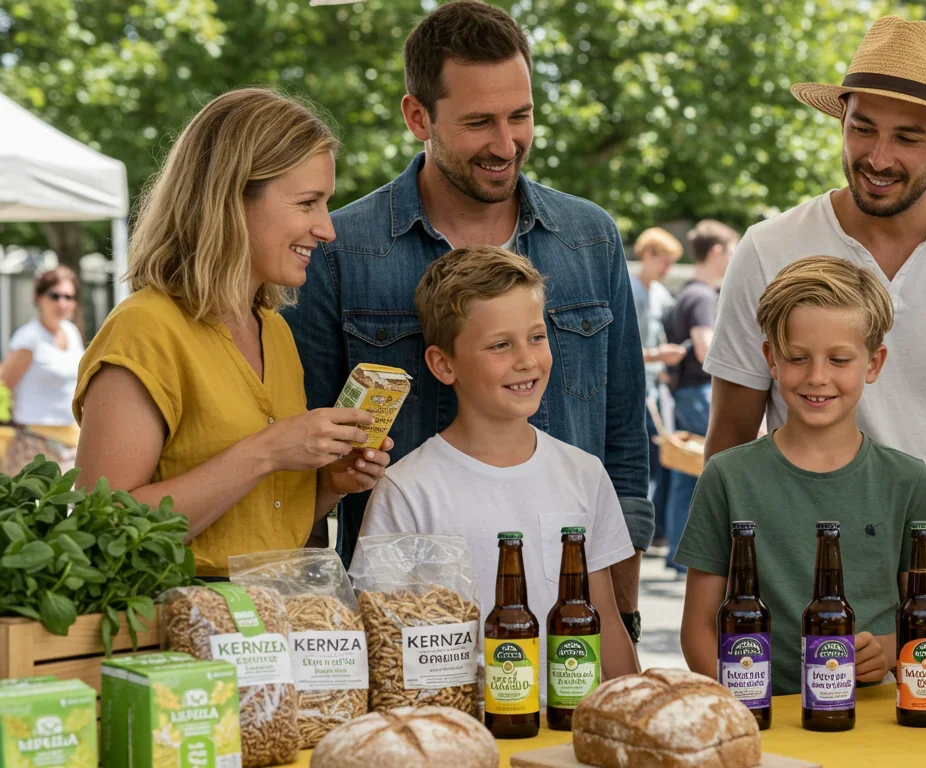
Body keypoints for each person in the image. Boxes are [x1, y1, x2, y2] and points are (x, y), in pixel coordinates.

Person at [701, 16, 926, 677]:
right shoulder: (768, 248)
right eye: (862, 126)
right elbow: (727, 441)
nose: (877, 156)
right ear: (840, 114)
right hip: (803, 624)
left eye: (907, 137)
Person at [284, 0, 652, 640]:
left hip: (572, 621)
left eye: (521, 116)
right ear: (417, 117)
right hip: (407, 630)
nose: (506, 144)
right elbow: (305, 458)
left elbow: (622, 432)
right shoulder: (338, 250)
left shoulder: (590, 239)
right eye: (479, 122)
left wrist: (619, 602)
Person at [72, 88, 392, 577]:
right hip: (176, 635)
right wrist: (265, 453)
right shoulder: (145, 328)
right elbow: (103, 531)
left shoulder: (275, 333)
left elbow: (261, 527)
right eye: (307, 203)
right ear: (230, 198)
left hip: (274, 626)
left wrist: (331, 482)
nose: (327, 229)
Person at [353, 245, 641, 689]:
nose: (526, 360)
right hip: (460, 733)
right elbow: (384, 640)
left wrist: (634, 705)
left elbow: (602, 619)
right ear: (443, 364)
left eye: (536, 337)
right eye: (500, 345)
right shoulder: (407, 489)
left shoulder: (584, 473)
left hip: (568, 730)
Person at [677, 256, 926, 695]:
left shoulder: (907, 480)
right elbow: (697, 628)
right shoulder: (727, 476)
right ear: (771, 358)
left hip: (872, 724)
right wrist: (737, 707)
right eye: (798, 358)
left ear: (874, 363)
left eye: (840, 359)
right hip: (760, 723)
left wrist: (887, 649)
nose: (817, 377)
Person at [662, 219, 737, 574]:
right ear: (718, 252)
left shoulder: (686, 293)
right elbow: (708, 348)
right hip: (700, 393)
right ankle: (690, 557)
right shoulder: (704, 296)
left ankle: (677, 553)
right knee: (704, 474)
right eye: (732, 252)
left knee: (683, 474)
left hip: (684, 392)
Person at [631, 227, 686, 546]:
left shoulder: (661, 295)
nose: (668, 269)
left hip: (654, 391)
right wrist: (657, 357)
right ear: (647, 255)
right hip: (635, 392)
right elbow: (621, 350)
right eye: (664, 261)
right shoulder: (630, 291)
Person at [1, 267, 85, 474]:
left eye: (68, 297)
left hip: (70, 442)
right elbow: (3, 386)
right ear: (38, 298)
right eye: (54, 296)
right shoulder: (29, 338)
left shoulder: (71, 332)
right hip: (33, 444)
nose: (62, 303)